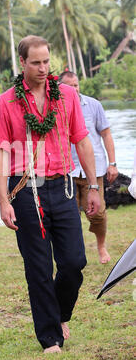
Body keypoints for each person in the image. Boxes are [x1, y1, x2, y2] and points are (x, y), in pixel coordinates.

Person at [0, 35, 100, 353]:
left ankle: (60, 313)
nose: (42, 68)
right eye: (35, 62)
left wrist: (92, 186)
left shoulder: (66, 95)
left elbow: (81, 140)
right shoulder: (5, 102)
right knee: (38, 267)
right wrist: (2, 201)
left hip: (63, 187)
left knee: (74, 262)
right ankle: (50, 338)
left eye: (46, 61)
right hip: (25, 191)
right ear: (22, 62)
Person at [58, 71, 118, 264]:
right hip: (67, 171)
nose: (74, 89)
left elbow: (106, 134)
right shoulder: (56, 107)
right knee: (68, 216)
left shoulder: (93, 105)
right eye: (70, 86)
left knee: (98, 214)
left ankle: (101, 246)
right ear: (60, 88)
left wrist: (112, 163)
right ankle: (73, 253)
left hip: (94, 169)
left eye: (76, 85)